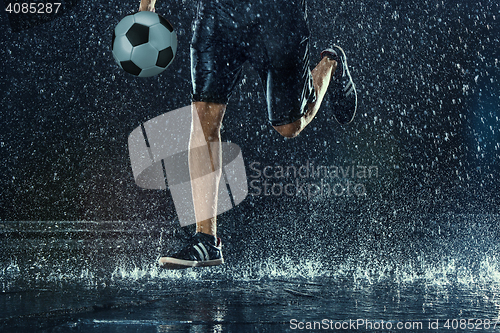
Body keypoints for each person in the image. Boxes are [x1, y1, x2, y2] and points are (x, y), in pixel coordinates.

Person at [138, 0, 357, 269]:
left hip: (276, 14)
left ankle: (331, 64)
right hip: (216, 12)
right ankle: (206, 239)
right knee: (204, 115)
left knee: (289, 126)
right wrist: (147, 5)